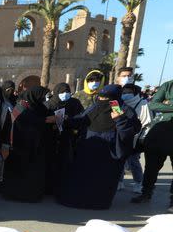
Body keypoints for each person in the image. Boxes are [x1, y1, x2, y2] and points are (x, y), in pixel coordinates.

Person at [57, 85, 140, 209]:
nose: (102, 100)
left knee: (102, 179)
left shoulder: (122, 109)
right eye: (100, 97)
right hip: (88, 147)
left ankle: (98, 202)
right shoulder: (95, 106)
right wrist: (66, 120)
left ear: (115, 99)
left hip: (109, 150)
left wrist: (120, 119)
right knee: (83, 177)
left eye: (106, 98)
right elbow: (82, 120)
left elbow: (131, 129)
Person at [1, 86, 50, 203]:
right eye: (42, 97)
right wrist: (44, 121)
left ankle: (31, 194)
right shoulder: (21, 106)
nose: (44, 100)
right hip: (20, 146)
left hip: (32, 146)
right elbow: (23, 123)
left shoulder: (35, 106)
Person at [131, 79, 173, 212]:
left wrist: (166, 104)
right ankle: (146, 193)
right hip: (159, 134)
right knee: (151, 167)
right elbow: (153, 105)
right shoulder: (168, 85)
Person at [45, 82, 84, 195]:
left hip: (68, 137)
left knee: (65, 162)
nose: (65, 94)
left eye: (67, 92)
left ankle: (62, 188)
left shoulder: (74, 103)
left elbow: (80, 117)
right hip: (51, 138)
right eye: (62, 92)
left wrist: (69, 119)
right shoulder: (50, 104)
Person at [120, 83, 151, 193]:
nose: (126, 95)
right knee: (121, 161)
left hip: (136, 138)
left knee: (133, 162)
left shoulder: (142, 103)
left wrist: (142, 138)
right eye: (124, 93)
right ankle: (119, 182)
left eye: (129, 93)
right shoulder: (120, 103)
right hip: (122, 136)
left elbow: (147, 122)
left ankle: (138, 183)